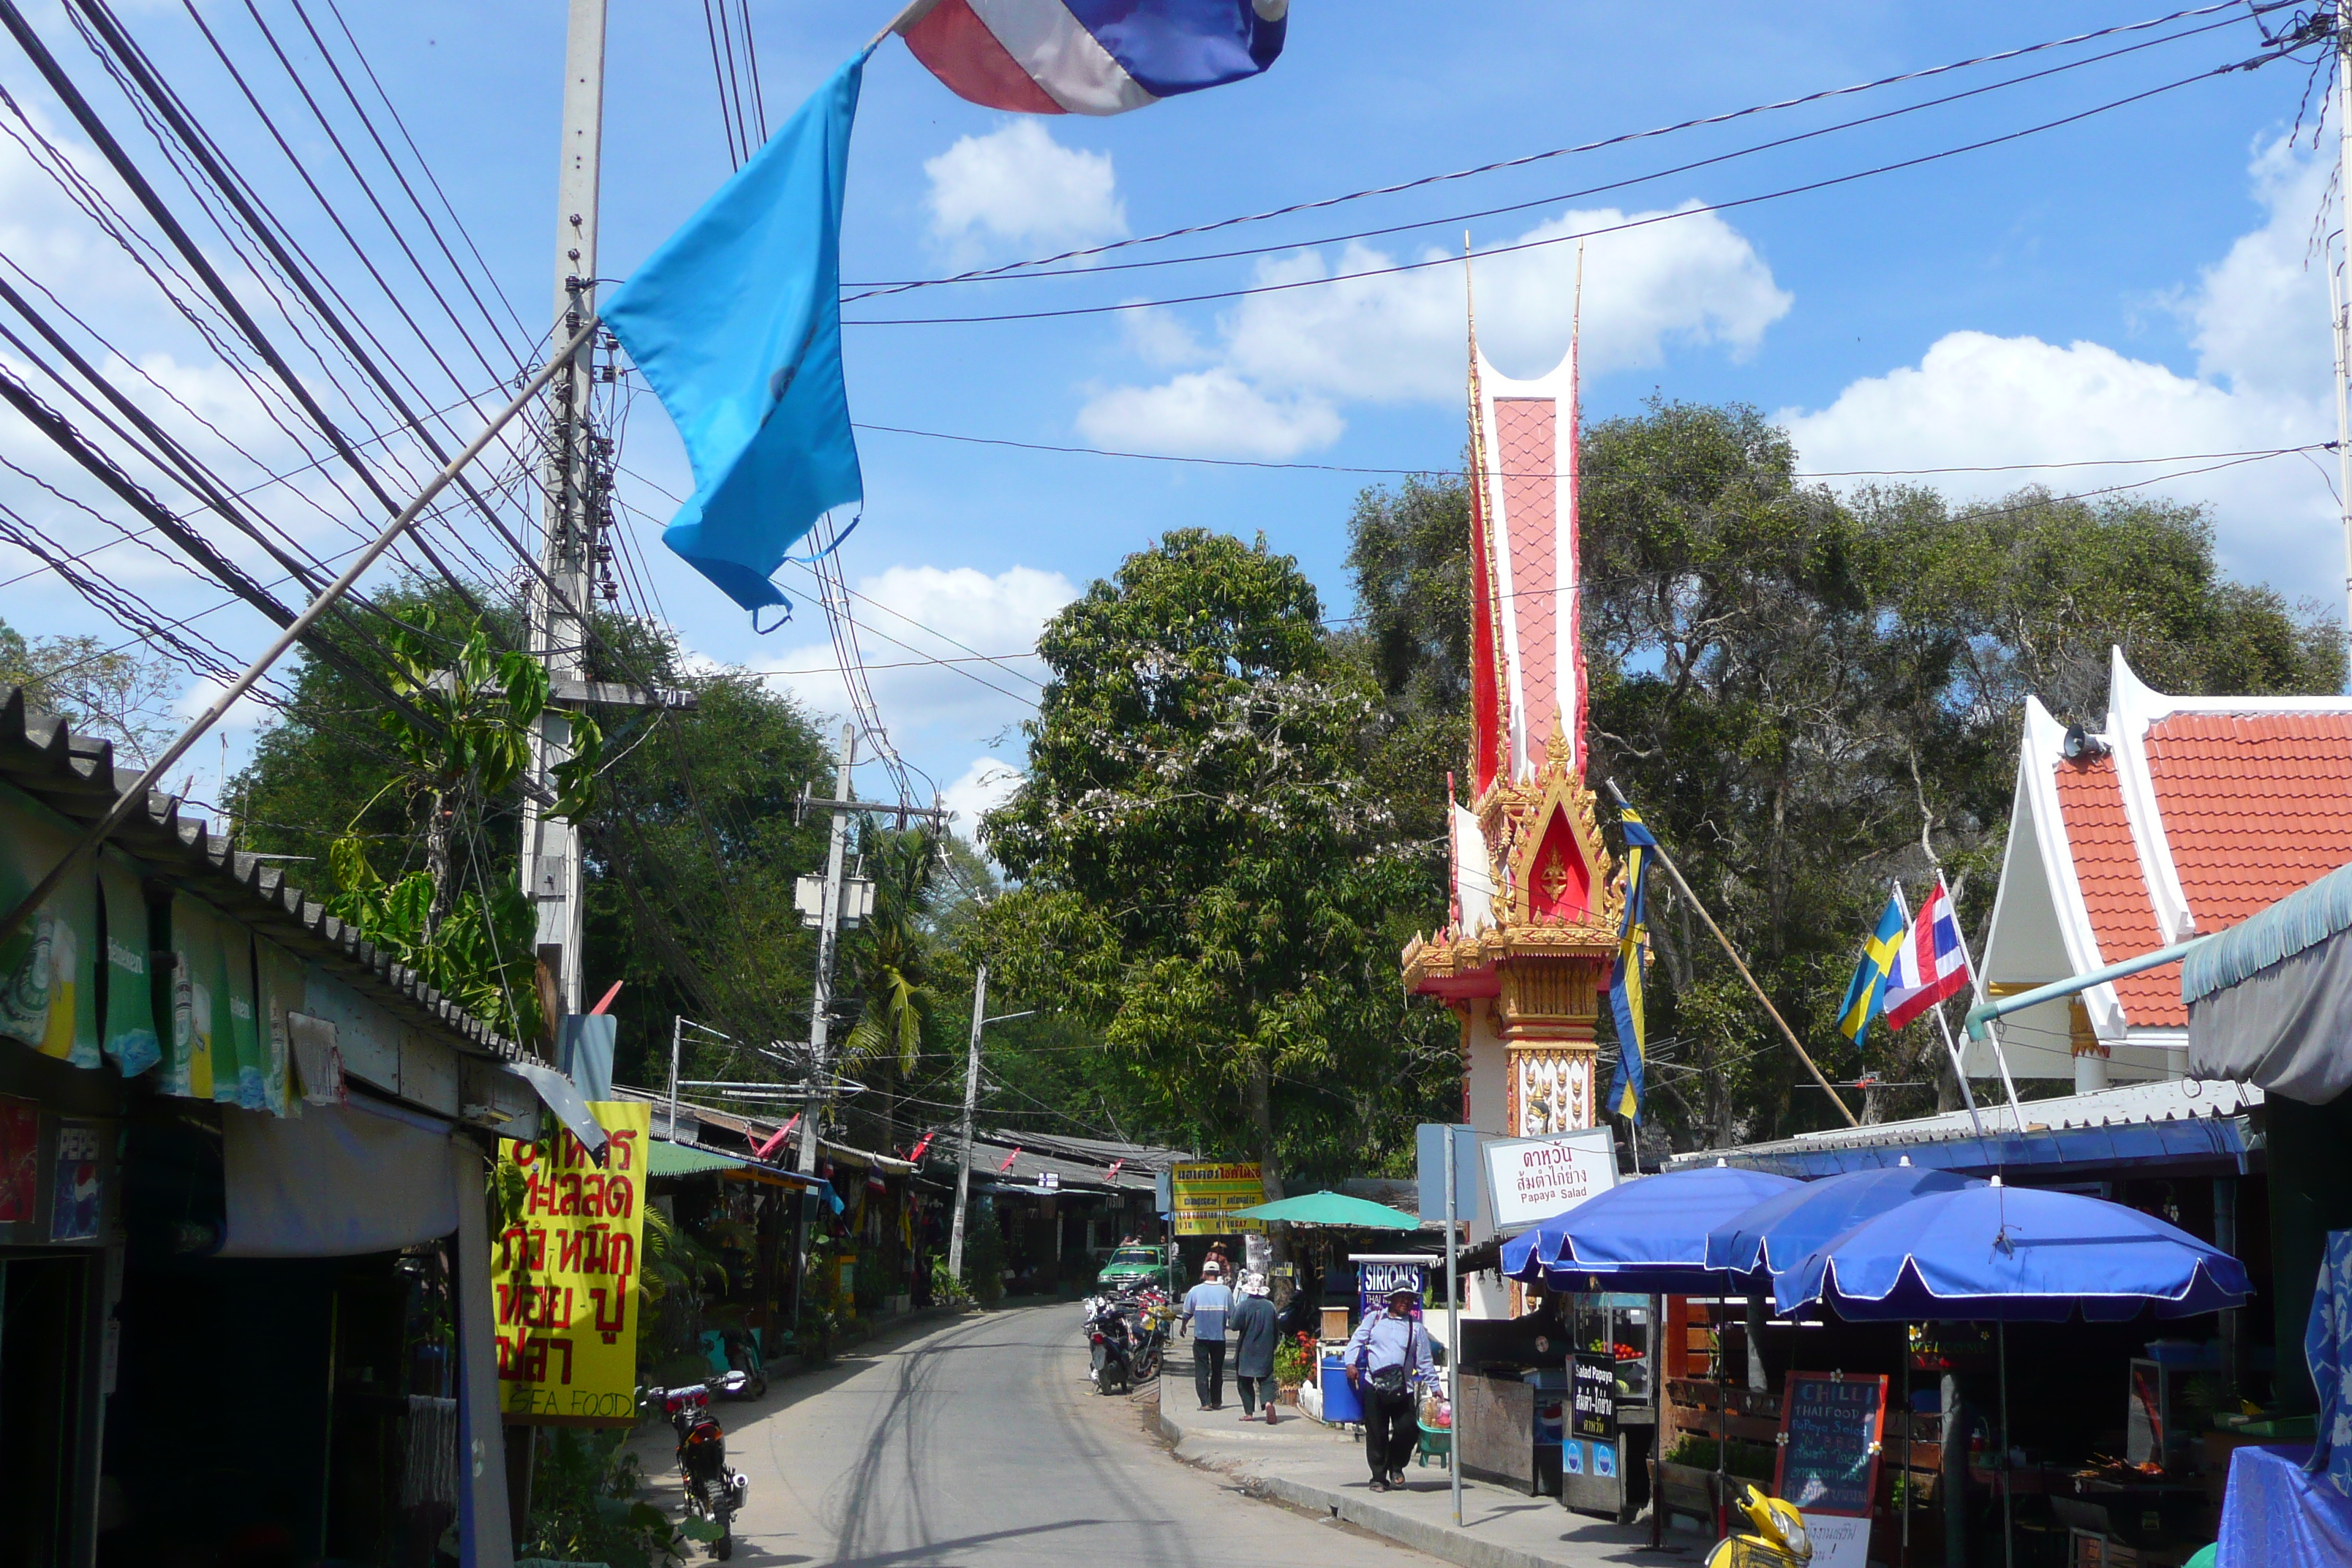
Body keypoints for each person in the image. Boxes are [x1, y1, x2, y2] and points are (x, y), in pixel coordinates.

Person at [1345, 1285, 1435, 1492]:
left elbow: (1424, 1361)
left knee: (1409, 1428)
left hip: (1403, 1388)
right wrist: (1350, 1363)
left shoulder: (1416, 1328)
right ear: (1391, 1300)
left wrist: (1435, 1386)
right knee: (1377, 1433)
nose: (1405, 1302)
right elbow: (1356, 1341)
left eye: (1409, 1299)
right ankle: (1378, 1477)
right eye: (1401, 1298)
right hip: (1374, 1385)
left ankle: (1397, 1465)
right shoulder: (1375, 1319)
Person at [1179, 1261, 1236, 1411]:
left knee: (1201, 1370)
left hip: (1201, 1337)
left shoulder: (1195, 1291)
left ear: (1204, 1274)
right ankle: (1216, 1401)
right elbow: (1232, 1315)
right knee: (1217, 1371)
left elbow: (1187, 1313)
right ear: (1219, 1274)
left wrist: (1183, 1326)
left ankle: (1205, 1403)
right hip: (1219, 1338)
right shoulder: (1226, 1292)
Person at [1229, 1273, 1281, 1425]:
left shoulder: (1244, 1306)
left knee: (1244, 1381)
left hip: (1246, 1349)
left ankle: (1249, 1413)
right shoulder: (1270, 1307)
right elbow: (1277, 1330)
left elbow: (1234, 1325)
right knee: (1266, 1379)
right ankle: (1268, 1404)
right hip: (1266, 1349)